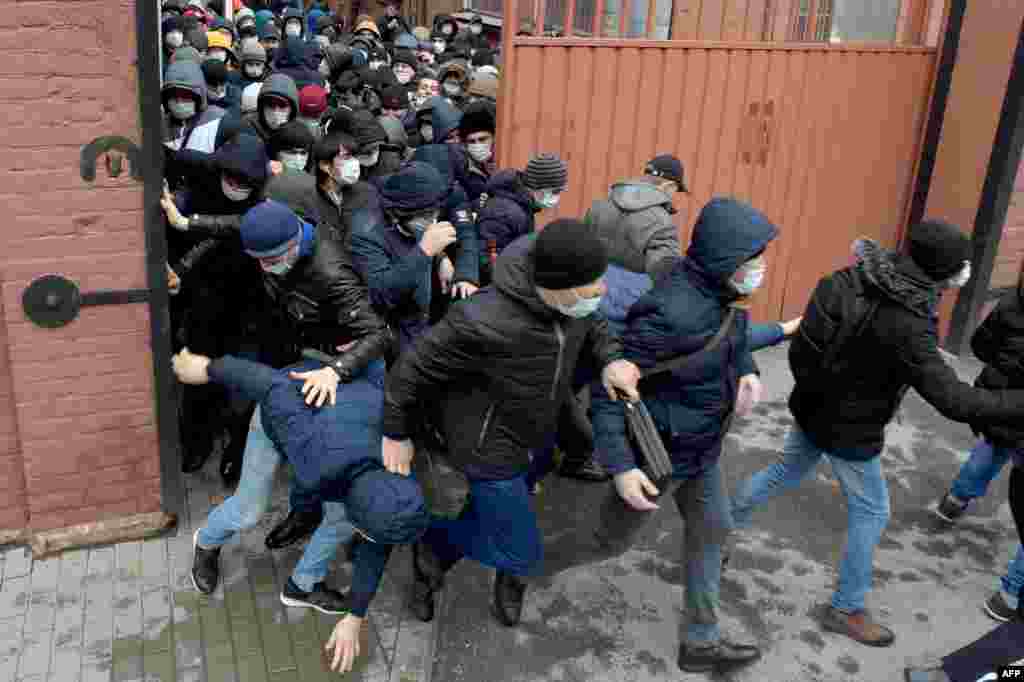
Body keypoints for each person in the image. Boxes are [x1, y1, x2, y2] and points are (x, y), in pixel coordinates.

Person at [730, 221, 1024, 647]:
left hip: (812, 407)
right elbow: (955, 400)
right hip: (850, 429)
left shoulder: (845, 278)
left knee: (784, 471)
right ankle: (845, 608)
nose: (966, 272)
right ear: (941, 270)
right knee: (872, 512)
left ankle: (716, 534)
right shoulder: (910, 323)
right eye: (962, 265)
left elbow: (803, 349)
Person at [381, 218, 641, 626]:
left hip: (538, 432)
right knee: (523, 551)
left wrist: (611, 359)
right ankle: (434, 542)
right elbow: (408, 371)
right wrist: (395, 432)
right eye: (592, 287)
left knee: (495, 519)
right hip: (491, 449)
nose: (602, 292)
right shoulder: (480, 320)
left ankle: (450, 565)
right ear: (558, 287)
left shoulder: (572, 297)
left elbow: (594, 322)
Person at [589, 198, 776, 674]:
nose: (761, 268)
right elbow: (609, 390)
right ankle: (520, 566)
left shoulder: (723, 295)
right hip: (659, 457)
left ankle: (700, 641)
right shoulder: (669, 312)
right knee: (603, 543)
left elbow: (732, 336)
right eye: (753, 260)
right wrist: (621, 466)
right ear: (725, 260)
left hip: (702, 451)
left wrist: (747, 369)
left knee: (713, 530)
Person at [173, 347, 429, 676]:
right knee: (249, 510)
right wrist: (209, 368)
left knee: (339, 522)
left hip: (343, 427)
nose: (369, 540)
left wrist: (356, 616)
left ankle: (301, 587)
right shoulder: (317, 457)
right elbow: (272, 385)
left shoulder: (397, 468)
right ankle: (206, 542)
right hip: (286, 407)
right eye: (366, 533)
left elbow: (379, 543)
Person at [931, 259, 1024, 621]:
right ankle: (1010, 595)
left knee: (989, 450)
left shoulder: (1010, 303)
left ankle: (954, 501)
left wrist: (1004, 365)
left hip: (997, 402)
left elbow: (981, 346)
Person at [349, 162, 454, 354]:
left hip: (421, 321)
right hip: (393, 334)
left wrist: (441, 258)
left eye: (436, 213)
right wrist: (424, 251)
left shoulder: (419, 205)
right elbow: (381, 293)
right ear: (396, 214)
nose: (433, 221)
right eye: (426, 216)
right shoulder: (366, 233)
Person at [477, 153, 568, 283]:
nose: (557, 197)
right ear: (539, 188)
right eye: (555, 191)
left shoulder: (523, 205)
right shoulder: (502, 213)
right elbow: (489, 261)